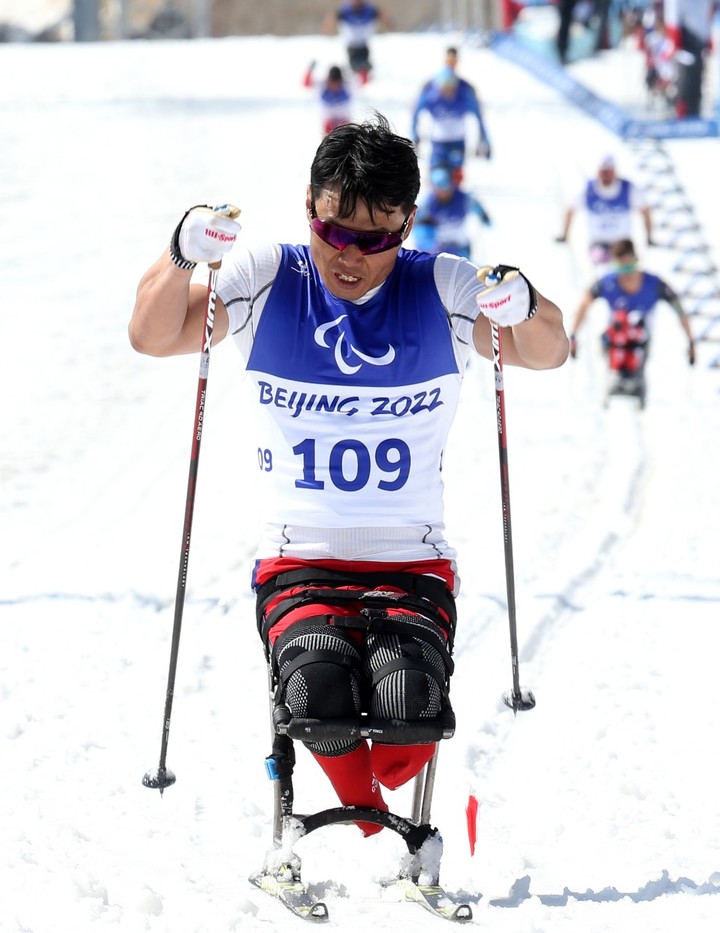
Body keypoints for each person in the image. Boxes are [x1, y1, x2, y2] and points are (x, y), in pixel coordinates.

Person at [129, 114, 568, 836]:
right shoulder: (267, 278)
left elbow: (546, 350)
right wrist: (181, 253)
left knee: (409, 709)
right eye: (334, 230)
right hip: (299, 558)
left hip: (412, 562)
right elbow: (151, 334)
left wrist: (526, 302)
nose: (351, 256)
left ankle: (379, 804)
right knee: (318, 696)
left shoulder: (443, 287)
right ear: (310, 203)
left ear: (408, 225)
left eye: (377, 239)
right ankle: (369, 820)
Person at [569, 238, 695, 406]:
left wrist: (690, 342)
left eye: (629, 268)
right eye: (621, 269)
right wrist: (573, 336)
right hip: (614, 339)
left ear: (636, 261)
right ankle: (611, 381)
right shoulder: (608, 283)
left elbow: (680, 310)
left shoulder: (655, 284)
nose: (626, 275)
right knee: (620, 323)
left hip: (641, 341)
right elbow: (584, 305)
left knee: (634, 325)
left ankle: (636, 383)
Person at [555, 154, 654, 265]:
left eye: (609, 171)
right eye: (603, 172)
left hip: (623, 243)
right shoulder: (588, 189)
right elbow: (570, 210)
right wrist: (564, 235)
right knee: (603, 270)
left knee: (628, 271)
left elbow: (645, 211)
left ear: (615, 172)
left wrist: (649, 236)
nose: (606, 175)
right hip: (599, 242)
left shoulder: (628, 188)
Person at [411, 60, 491, 183]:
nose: (447, 91)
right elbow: (415, 114)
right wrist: (414, 135)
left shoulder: (464, 97)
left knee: (455, 180)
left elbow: (479, 118)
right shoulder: (431, 97)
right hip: (438, 143)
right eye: (444, 88)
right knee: (438, 178)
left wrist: (484, 141)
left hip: (457, 142)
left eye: (451, 88)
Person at [412, 165, 491, 260]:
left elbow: (476, 206)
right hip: (437, 251)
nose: (444, 192)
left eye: (446, 187)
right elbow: (419, 231)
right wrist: (432, 246)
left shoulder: (462, 198)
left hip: (461, 247)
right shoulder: (428, 204)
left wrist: (483, 216)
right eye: (440, 188)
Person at [322, 0, 392, 85]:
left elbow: (383, 16)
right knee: (354, 67)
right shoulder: (344, 9)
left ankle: (364, 78)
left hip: (364, 43)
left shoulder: (370, 9)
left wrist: (389, 25)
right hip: (351, 45)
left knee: (365, 66)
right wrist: (327, 28)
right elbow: (332, 18)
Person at [303, 62, 353, 136]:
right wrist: (309, 71)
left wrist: (362, 68)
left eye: (337, 82)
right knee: (329, 138)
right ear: (328, 79)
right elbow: (306, 84)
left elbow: (363, 81)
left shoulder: (348, 85)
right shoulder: (321, 85)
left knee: (347, 136)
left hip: (344, 120)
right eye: (332, 82)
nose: (335, 85)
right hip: (328, 122)